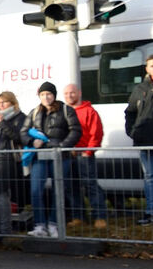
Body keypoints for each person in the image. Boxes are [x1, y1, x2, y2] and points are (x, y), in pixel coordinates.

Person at [22, 81, 81, 238]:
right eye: (42, 94)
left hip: (61, 156)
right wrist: (31, 141)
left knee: (58, 191)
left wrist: (62, 146)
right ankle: (39, 225)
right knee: (35, 190)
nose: (46, 97)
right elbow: (23, 132)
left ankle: (54, 224)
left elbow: (76, 130)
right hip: (39, 156)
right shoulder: (34, 112)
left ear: (54, 95)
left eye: (48, 94)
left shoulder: (66, 110)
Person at [63, 83, 107, 229]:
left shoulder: (89, 111)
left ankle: (99, 217)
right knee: (71, 186)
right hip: (69, 156)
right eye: (66, 93)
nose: (69, 96)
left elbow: (97, 133)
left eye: (72, 93)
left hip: (84, 155)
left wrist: (88, 151)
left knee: (90, 186)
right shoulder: (63, 111)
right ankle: (78, 217)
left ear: (79, 93)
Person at [0, 91, 26, 241]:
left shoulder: (20, 117)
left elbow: (18, 137)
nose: (1, 106)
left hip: (6, 157)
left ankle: (5, 231)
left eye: (4, 102)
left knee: (1, 194)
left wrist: (2, 122)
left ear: (13, 103)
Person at [123, 54, 153, 225]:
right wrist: (133, 132)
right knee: (150, 177)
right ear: (147, 69)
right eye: (151, 65)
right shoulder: (140, 89)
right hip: (147, 142)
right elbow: (130, 113)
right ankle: (151, 213)